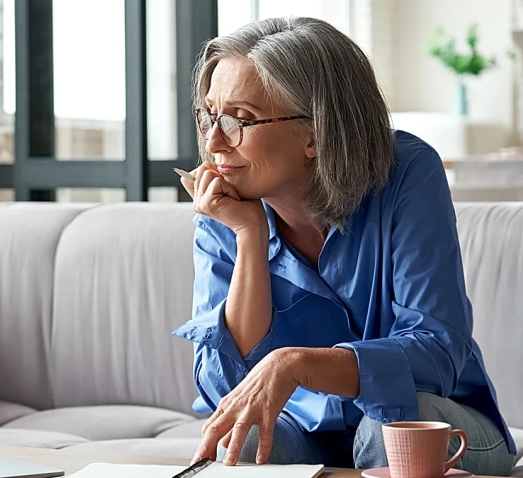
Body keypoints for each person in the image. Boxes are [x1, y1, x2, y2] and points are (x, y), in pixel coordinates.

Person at [171, 16, 517, 476]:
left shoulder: (407, 174)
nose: (214, 142)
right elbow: (226, 389)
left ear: (315, 133)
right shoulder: (225, 204)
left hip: (439, 419)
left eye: (240, 120)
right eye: (209, 115)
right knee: (245, 438)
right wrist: (249, 237)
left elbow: (437, 352)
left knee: (389, 427)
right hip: (303, 431)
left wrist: (296, 365)